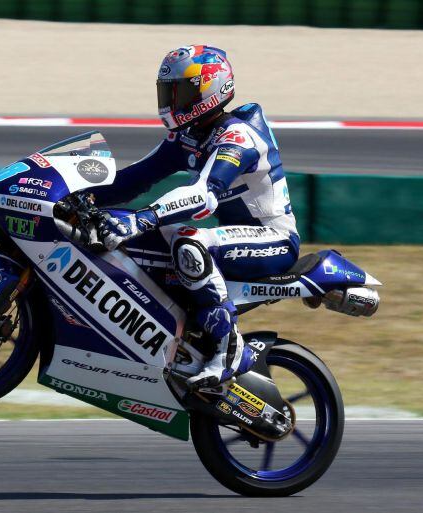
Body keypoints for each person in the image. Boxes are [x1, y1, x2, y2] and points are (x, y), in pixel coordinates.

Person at [96, 45, 300, 389]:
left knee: (188, 240)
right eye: (169, 91)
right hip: (234, 240)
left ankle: (229, 347)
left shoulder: (239, 137)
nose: (172, 100)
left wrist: (144, 217)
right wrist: (73, 197)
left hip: (274, 242)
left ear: (211, 88)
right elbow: (135, 178)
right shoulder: (188, 136)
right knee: (152, 238)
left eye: (183, 91)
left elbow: (205, 195)